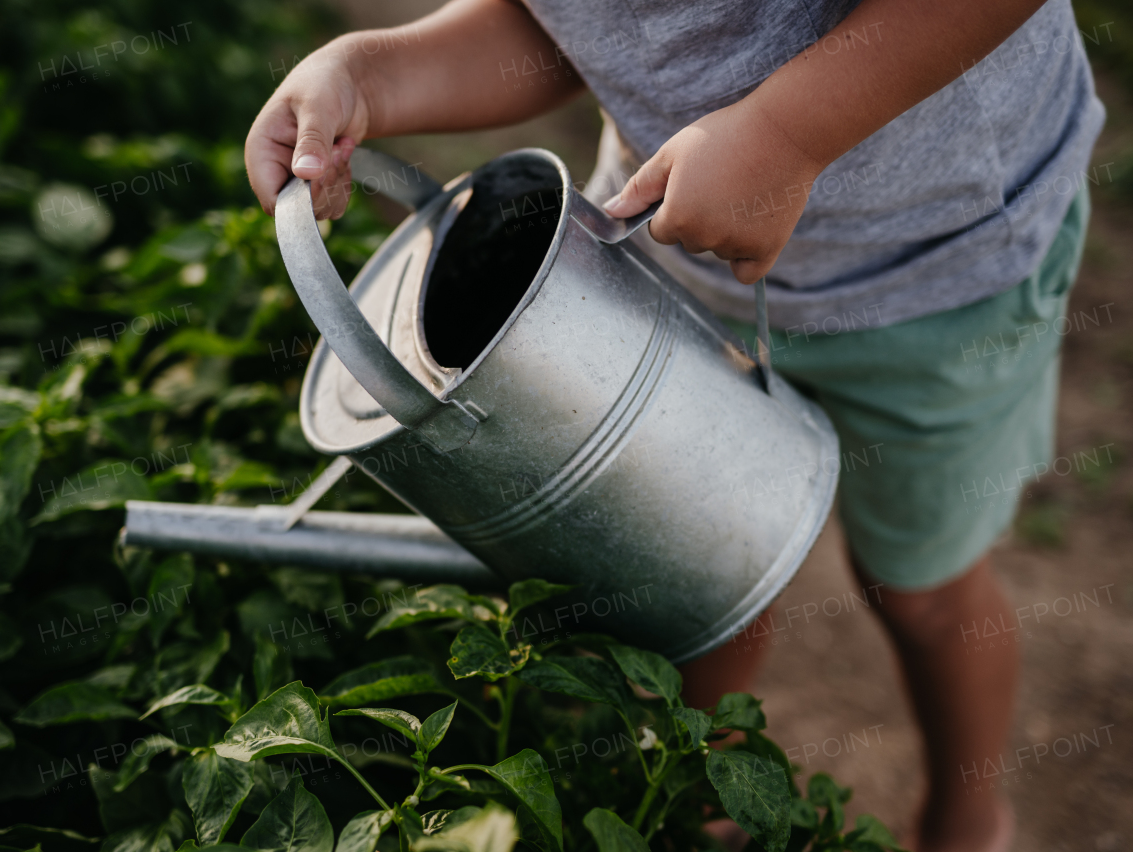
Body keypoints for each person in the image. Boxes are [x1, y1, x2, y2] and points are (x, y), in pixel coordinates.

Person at [242, 2, 1104, 850]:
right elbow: (567, 27)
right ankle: (703, 793)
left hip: (940, 269)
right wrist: (370, 73)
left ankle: (967, 819)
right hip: (668, 253)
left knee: (923, 587)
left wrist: (786, 135)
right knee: (695, 558)